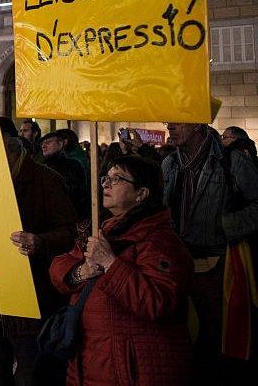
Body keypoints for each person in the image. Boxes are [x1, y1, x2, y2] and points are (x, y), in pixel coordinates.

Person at [50, 155, 194, 385]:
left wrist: (111, 264)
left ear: (142, 194)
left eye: (118, 179)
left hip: (131, 367)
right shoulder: (103, 228)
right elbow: (59, 267)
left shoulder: (160, 241)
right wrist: (81, 272)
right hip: (90, 361)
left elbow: (157, 301)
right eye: (106, 177)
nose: (106, 184)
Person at [0, 120, 77, 385]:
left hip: (28, 298)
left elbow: (68, 233)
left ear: (14, 153)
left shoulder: (47, 181)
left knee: (29, 375)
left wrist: (39, 241)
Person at [162, 123, 258, 382]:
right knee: (183, 337)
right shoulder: (170, 163)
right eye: (168, 121)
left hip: (218, 264)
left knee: (219, 337)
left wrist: (225, 226)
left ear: (197, 125)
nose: (170, 126)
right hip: (176, 264)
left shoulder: (231, 160)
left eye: (178, 120)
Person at [40, 131, 89, 222]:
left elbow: (77, 192)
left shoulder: (73, 165)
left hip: (69, 218)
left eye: (48, 142)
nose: (44, 146)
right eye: (42, 143)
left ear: (61, 143)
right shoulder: (41, 166)